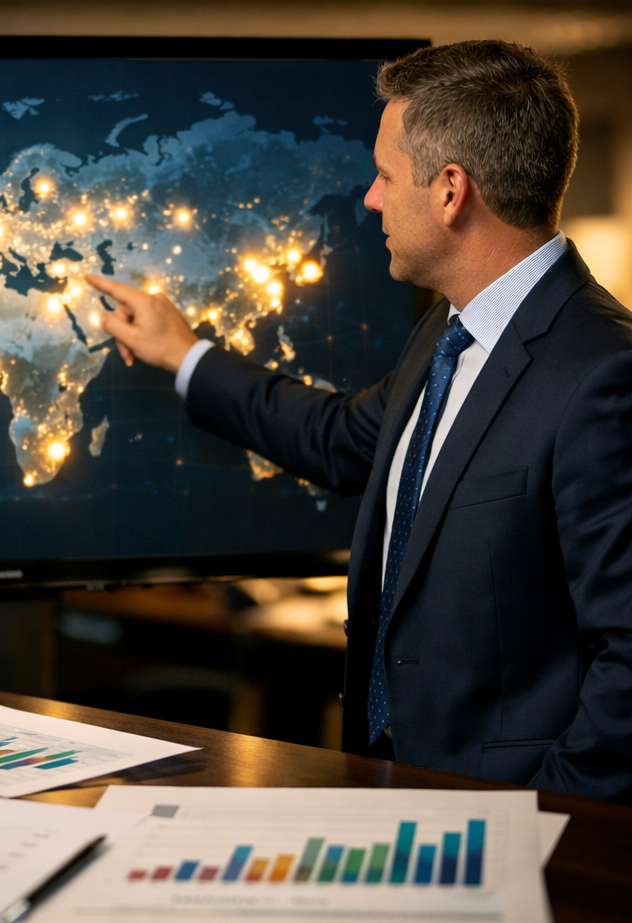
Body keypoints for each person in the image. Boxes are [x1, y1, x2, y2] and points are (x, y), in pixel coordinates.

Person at [86, 40, 632, 803]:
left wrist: (550, 823)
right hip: (398, 788)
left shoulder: (604, 372)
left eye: (383, 175)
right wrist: (184, 354)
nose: (371, 199)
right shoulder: (447, 335)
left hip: (510, 823)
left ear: (450, 191)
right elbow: (341, 438)